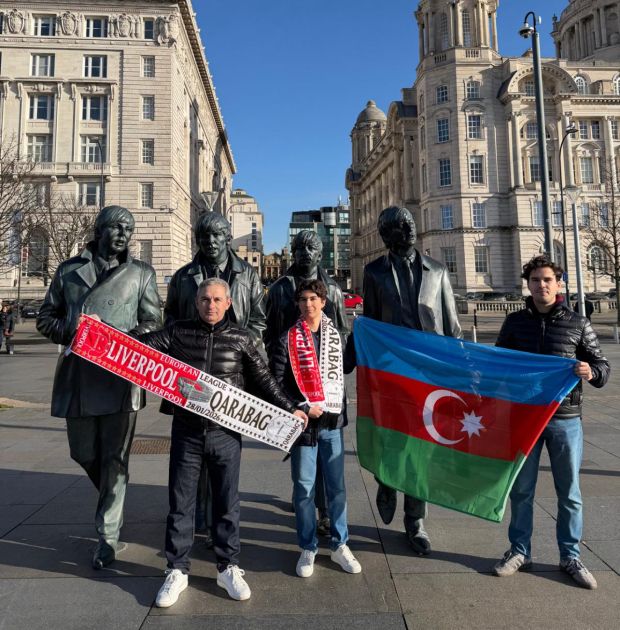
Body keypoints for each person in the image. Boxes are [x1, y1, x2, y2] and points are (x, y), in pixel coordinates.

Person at [133, 278, 307, 607]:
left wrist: (290, 408)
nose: (210, 305)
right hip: (187, 432)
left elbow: (264, 379)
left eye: (216, 299)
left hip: (226, 435)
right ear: (196, 302)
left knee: (227, 502)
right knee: (181, 503)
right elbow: (135, 346)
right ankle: (177, 570)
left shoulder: (241, 338)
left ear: (228, 303)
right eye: (204, 299)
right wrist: (99, 331)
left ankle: (228, 567)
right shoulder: (178, 332)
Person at [36, 205, 162, 569]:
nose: (123, 234)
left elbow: (153, 322)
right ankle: (113, 497)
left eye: (128, 229)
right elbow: (46, 318)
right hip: (78, 377)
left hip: (120, 379)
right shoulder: (69, 271)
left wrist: (118, 341)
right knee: (84, 453)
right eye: (117, 227)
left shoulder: (141, 273)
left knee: (115, 459)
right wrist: (75, 329)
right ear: (99, 229)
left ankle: (107, 535)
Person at [493, 255, 610, 589]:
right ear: (528, 285)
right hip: (525, 418)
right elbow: (499, 364)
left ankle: (570, 556)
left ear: (558, 284)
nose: (541, 285)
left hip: (565, 420)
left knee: (569, 493)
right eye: (535, 280)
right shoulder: (515, 323)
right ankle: (519, 551)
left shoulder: (578, 323)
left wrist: (591, 371)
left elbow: (602, 367)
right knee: (521, 490)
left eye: (547, 280)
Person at [363, 206, 462, 555]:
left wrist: (459, 371)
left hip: (428, 374)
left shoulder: (437, 270)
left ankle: (415, 520)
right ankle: (386, 481)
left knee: (421, 450)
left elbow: (451, 326)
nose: (409, 231)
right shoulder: (374, 272)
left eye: (411, 225)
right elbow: (371, 323)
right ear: (387, 235)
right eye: (401, 227)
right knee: (391, 440)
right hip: (391, 371)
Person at [164, 212, 266, 542]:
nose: (210, 241)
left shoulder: (247, 274)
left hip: (232, 376)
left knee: (224, 457)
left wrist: (237, 347)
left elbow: (259, 321)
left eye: (216, 235)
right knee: (192, 454)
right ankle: (198, 520)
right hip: (191, 377)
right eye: (204, 236)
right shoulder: (183, 276)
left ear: (227, 238)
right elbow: (169, 321)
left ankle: (216, 525)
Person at [270, 279, 361, 578]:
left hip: (332, 424)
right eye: (303, 299)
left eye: (313, 299)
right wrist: (301, 405)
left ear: (323, 302)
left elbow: (346, 367)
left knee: (337, 488)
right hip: (304, 426)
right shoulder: (287, 339)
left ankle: (340, 544)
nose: (308, 304)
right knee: (304, 489)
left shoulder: (337, 336)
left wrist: (360, 336)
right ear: (298, 304)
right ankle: (307, 546)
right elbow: (277, 383)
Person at [264, 230, 349, 535]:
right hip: (294, 386)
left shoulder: (333, 290)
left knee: (330, 463)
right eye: (299, 248)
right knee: (301, 456)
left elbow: (343, 331)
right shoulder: (279, 289)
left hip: (327, 388)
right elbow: (270, 331)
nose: (304, 253)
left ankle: (326, 513)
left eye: (311, 248)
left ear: (320, 253)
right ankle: (305, 507)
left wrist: (334, 365)